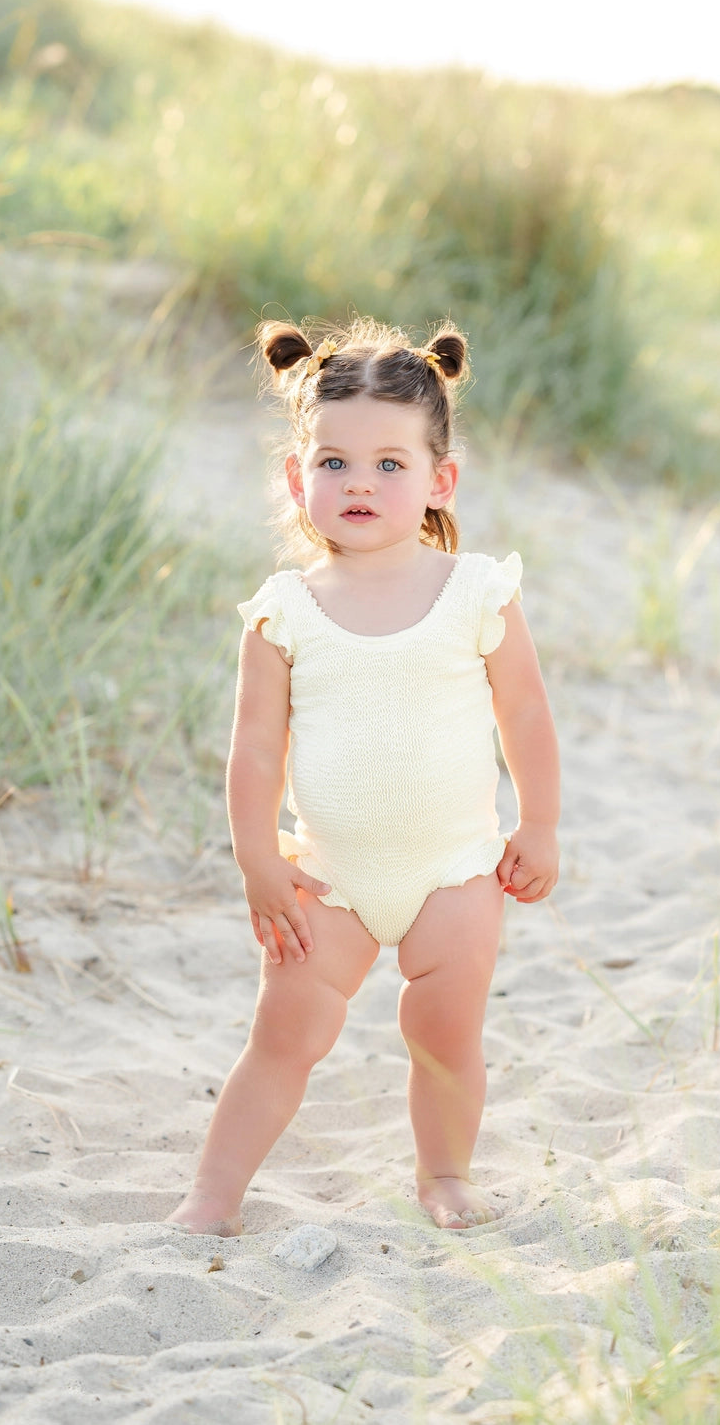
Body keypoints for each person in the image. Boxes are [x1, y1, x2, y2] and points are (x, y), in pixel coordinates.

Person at [167, 317, 560, 1234]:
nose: (361, 483)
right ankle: (212, 1195)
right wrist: (257, 858)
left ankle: (444, 1175)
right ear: (298, 478)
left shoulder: (475, 593)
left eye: (391, 464)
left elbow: (527, 714)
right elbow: (254, 750)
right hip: (331, 878)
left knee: (444, 1032)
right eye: (335, 463)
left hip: (456, 870)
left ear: (439, 480)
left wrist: (538, 824)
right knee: (285, 1038)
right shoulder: (285, 611)